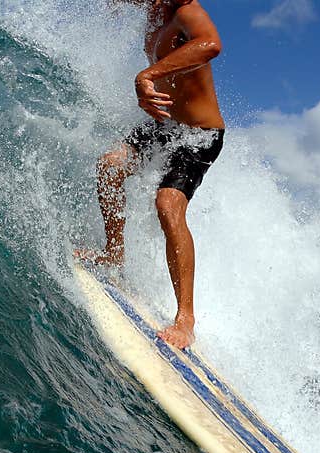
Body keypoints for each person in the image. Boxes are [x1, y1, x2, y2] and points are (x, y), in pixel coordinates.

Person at [77, 0, 224, 350]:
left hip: (200, 134)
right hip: (165, 127)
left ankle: (185, 318)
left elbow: (211, 44)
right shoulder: (151, 7)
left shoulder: (186, 11)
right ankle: (113, 253)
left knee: (168, 204)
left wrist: (148, 76)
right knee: (110, 165)